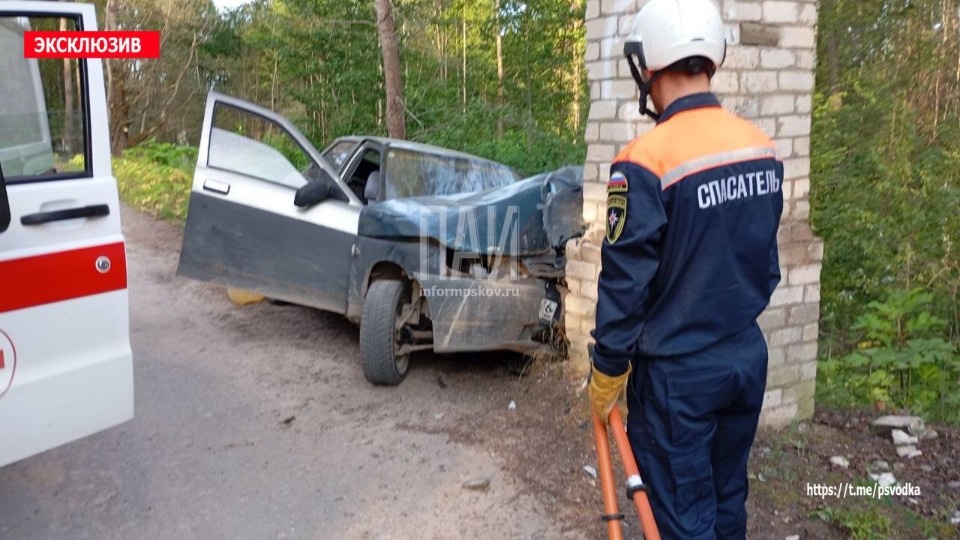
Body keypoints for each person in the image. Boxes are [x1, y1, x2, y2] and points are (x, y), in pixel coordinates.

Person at [587, 0, 785, 538]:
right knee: (727, 500)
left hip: (679, 376)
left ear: (649, 66)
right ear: (709, 59)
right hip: (746, 358)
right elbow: (765, 263)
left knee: (682, 516)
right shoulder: (761, 149)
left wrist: (607, 366)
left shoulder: (645, 159)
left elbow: (625, 280)